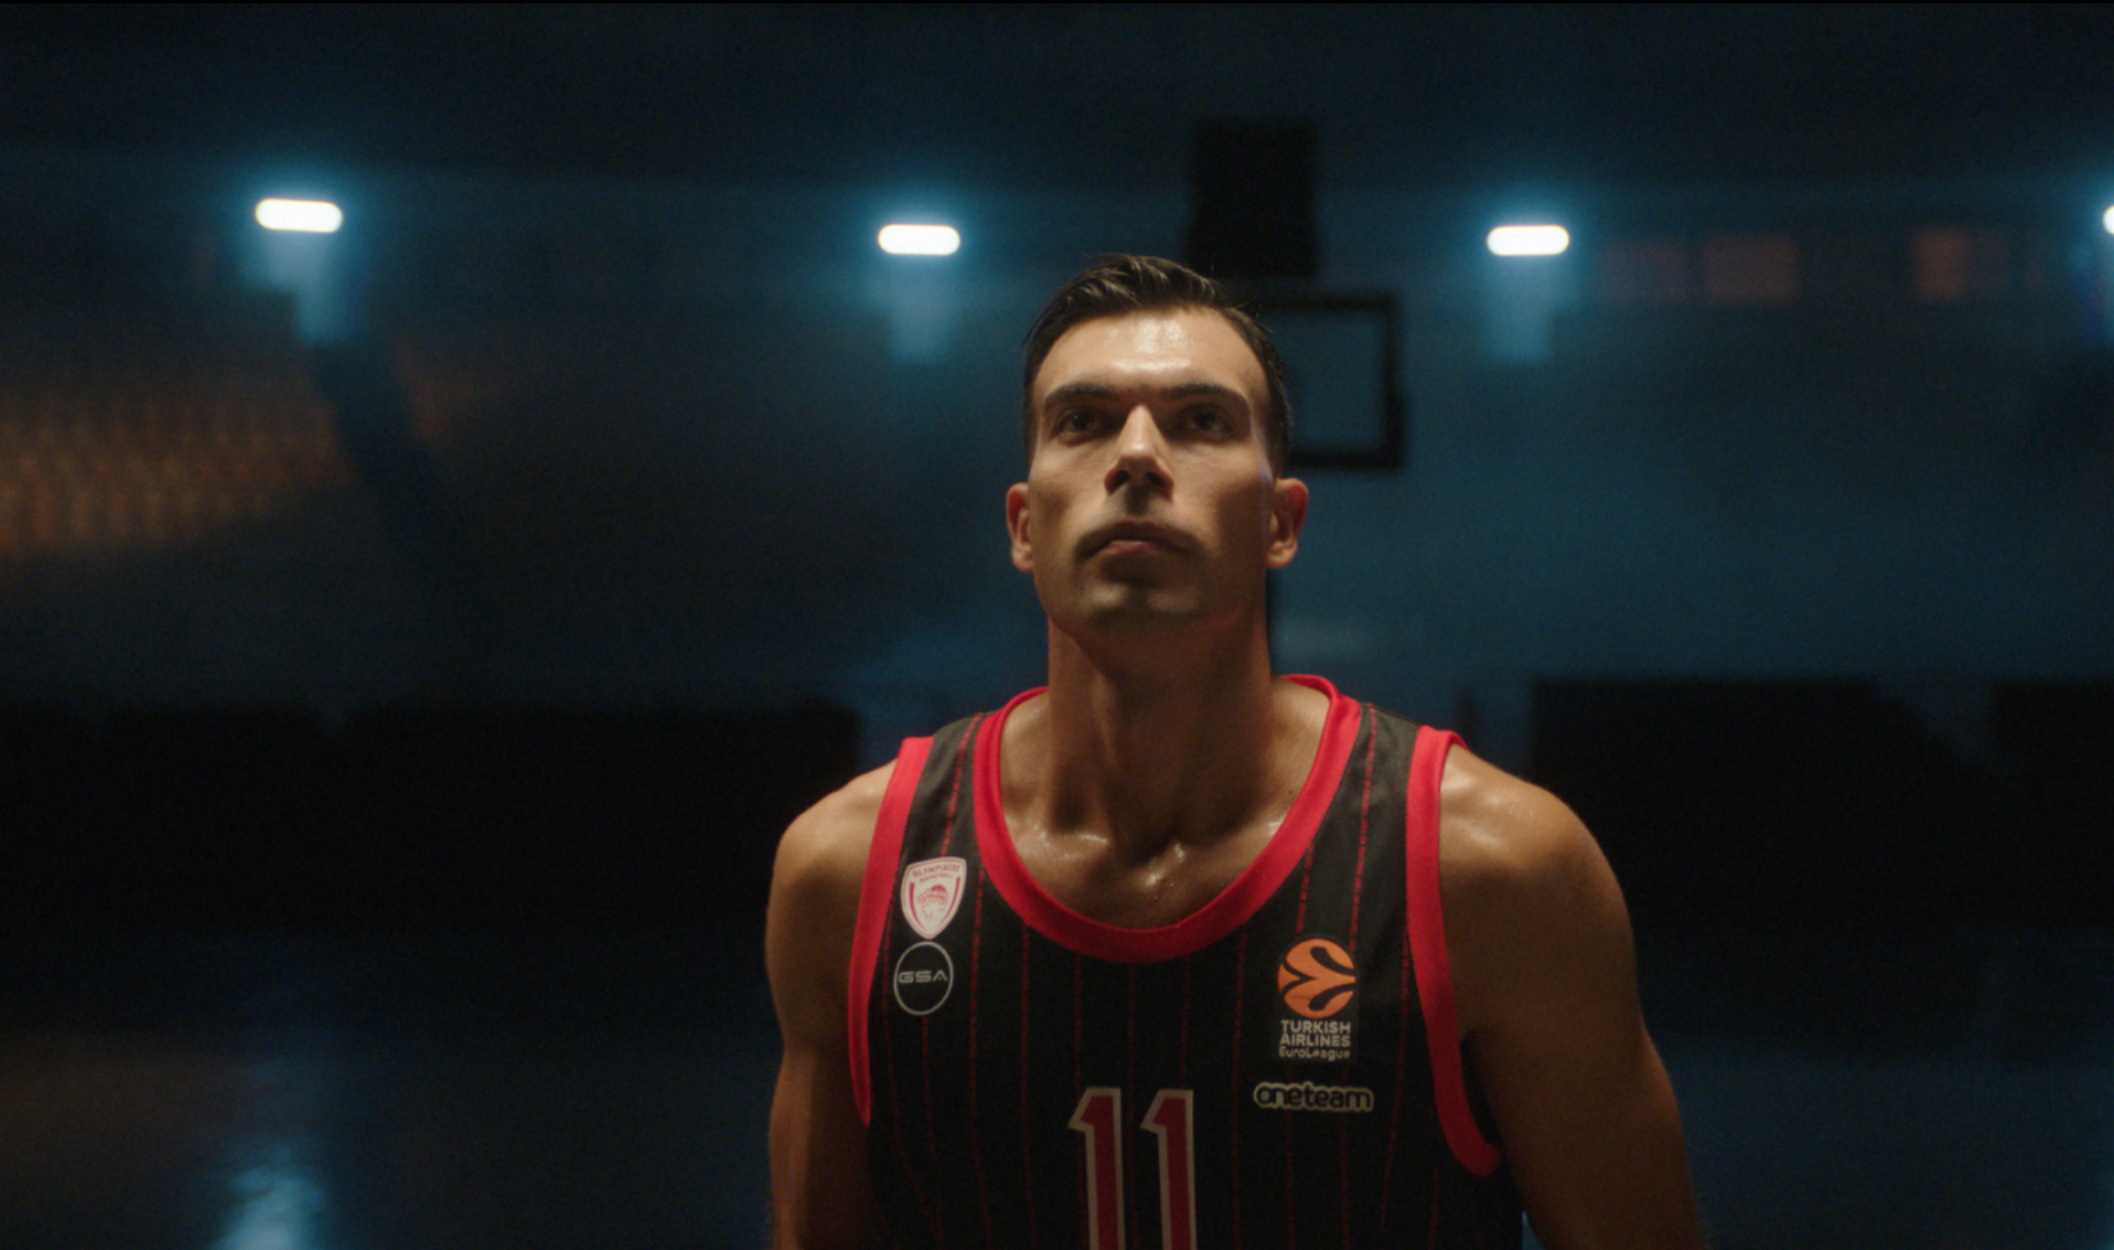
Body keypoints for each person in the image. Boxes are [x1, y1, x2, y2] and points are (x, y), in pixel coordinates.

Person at [766, 255, 1703, 1249]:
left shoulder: (1493, 869)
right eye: (1083, 420)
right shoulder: (849, 871)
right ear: (1024, 525)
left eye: (1201, 420)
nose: (1136, 455)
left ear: (1278, 522)